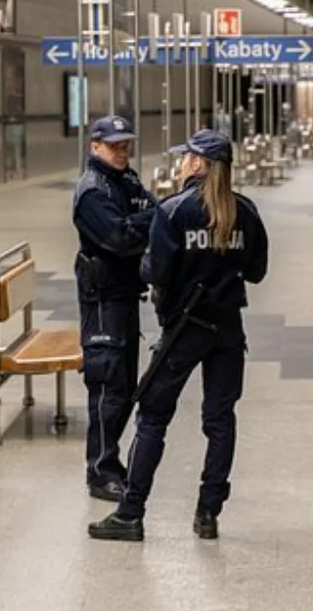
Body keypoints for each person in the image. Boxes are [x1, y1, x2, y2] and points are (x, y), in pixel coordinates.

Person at [88, 129, 269, 542]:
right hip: (227, 330)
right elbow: (256, 271)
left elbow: (154, 271)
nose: (183, 162)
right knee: (220, 421)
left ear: (198, 164)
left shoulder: (173, 211)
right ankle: (208, 513)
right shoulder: (246, 212)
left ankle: (131, 513)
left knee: (152, 417)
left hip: (182, 331)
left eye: (187, 157)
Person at [73, 115, 157, 501]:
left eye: (126, 145)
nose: (122, 151)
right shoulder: (92, 192)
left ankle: (110, 463)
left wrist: (143, 220)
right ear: (95, 146)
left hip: (124, 297)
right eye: (114, 145)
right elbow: (119, 238)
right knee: (107, 388)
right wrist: (146, 222)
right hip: (103, 302)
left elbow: (154, 216)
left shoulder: (127, 181)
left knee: (123, 389)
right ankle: (100, 471)